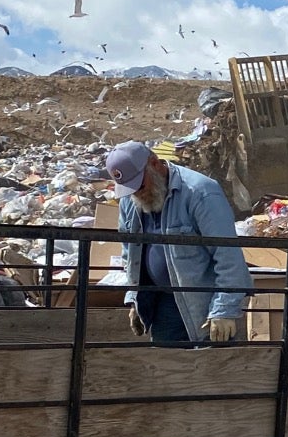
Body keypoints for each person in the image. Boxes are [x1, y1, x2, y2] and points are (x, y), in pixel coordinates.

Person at [105, 141, 251, 345]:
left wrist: (224, 309)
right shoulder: (130, 202)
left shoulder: (200, 192)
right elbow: (130, 253)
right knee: (168, 371)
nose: (137, 193)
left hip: (203, 306)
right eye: (129, 188)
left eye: (139, 184)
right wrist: (135, 300)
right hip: (163, 305)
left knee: (210, 372)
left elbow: (228, 256)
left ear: (155, 164)